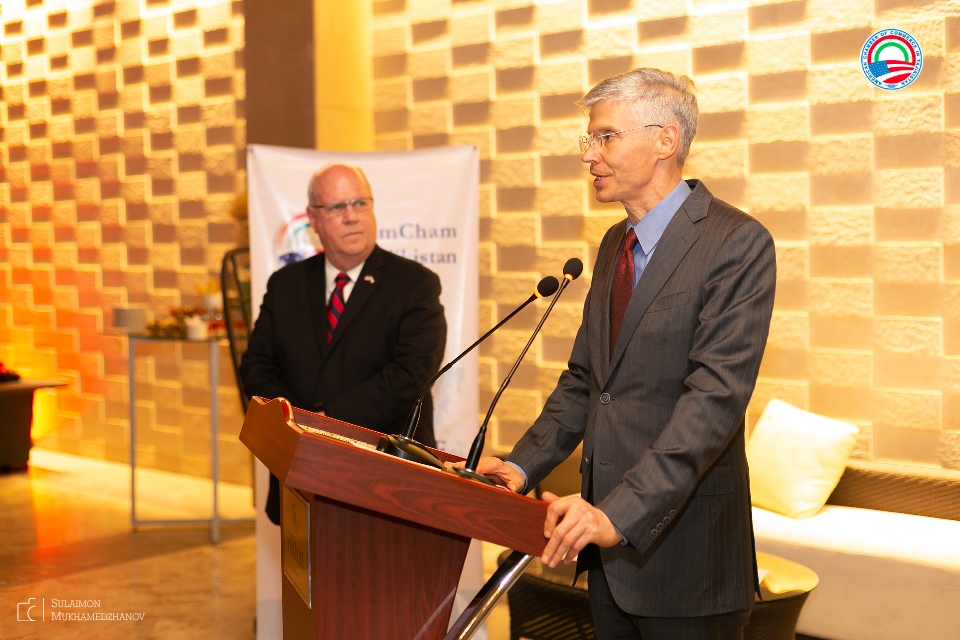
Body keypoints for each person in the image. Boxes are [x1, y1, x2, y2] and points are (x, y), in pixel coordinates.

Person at [473, 69, 777, 639]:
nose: (589, 155)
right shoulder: (616, 242)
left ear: (665, 140)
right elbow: (587, 380)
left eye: (605, 137)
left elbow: (712, 404)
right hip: (608, 557)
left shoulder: (736, 243)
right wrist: (520, 467)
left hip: (687, 563)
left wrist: (619, 513)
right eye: (590, 139)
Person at [240, 163, 447, 524]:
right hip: (298, 471)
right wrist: (295, 424)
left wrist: (325, 424)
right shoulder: (285, 285)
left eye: (360, 203)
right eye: (337, 207)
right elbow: (256, 367)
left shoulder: (415, 284)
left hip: (386, 480)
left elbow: (411, 374)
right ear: (313, 219)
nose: (351, 217)